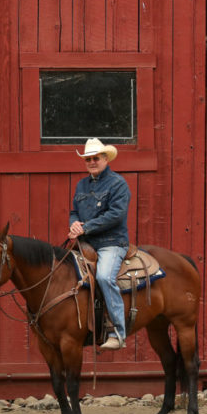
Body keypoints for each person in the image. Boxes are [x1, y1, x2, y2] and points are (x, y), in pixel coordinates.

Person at [68, 138, 130, 351]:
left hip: (111, 243)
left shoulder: (118, 183)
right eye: (88, 159)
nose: (92, 162)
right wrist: (74, 224)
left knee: (104, 276)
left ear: (105, 159)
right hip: (85, 243)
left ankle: (118, 332)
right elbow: (74, 211)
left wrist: (86, 228)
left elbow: (116, 214)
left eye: (96, 158)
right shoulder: (81, 185)